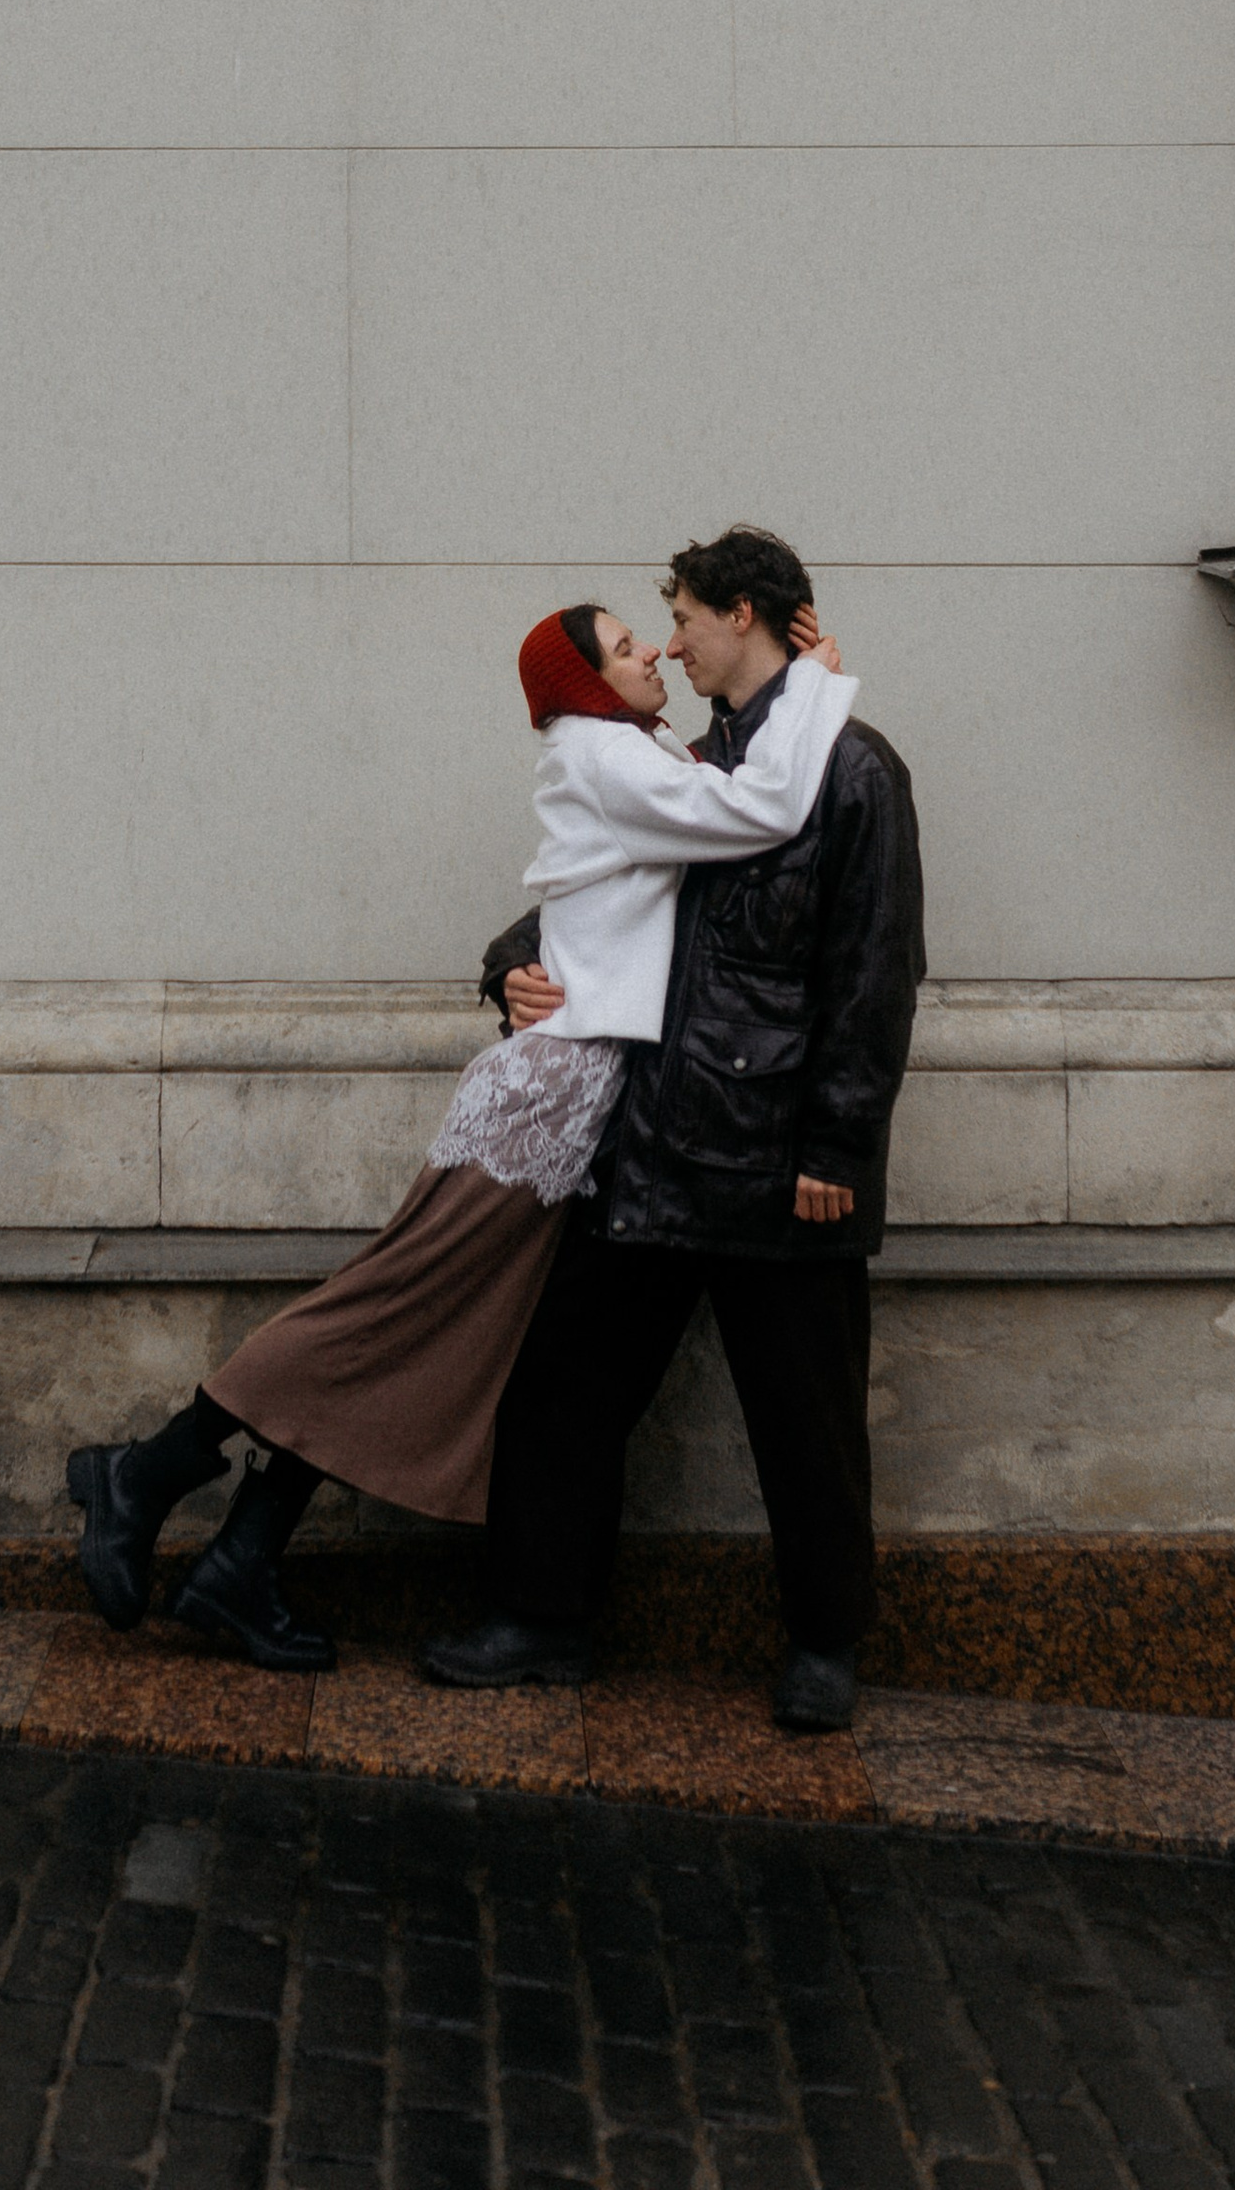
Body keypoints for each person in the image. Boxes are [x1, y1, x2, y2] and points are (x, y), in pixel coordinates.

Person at [61, 599, 858, 1670]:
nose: (654, 652)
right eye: (629, 646)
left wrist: (513, 966)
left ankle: (241, 1555)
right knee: (390, 1304)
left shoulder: (642, 750)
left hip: (582, 1109)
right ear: (585, 684)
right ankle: (150, 1471)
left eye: (655, 632)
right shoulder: (603, 755)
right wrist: (818, 685)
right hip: (546, 1104)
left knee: (427, 1326)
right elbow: (757, 809)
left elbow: (590, 905)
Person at [422, 524, 922, 1736]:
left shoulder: (852, 774)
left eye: (687, 618)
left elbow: (873, 977)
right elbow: (590, 901)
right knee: (562, 1397)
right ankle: (540, 1621)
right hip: (646, 1146)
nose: (674, 642)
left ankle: (822, 1646)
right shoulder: (689, 769)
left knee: (805, 1420)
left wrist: (835, 1154)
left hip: (774, 1166)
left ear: (743, 616)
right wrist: (510, 972)